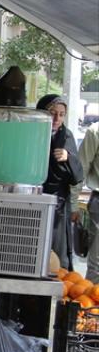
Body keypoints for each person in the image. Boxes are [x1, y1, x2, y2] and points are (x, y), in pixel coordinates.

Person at [38, 94, 83, 270]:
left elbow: (77, 175)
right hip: (35, 198)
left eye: (62, 114)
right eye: (52, 113)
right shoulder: (34, 132)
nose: (57, 118)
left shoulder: (66, 136)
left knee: (56, 253)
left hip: (58, 203)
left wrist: (68, 158)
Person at [78, 121, 99, 281]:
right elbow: (82, 167)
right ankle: (92, 304)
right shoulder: (95, 131)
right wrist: (73, 202)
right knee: (97, 264)